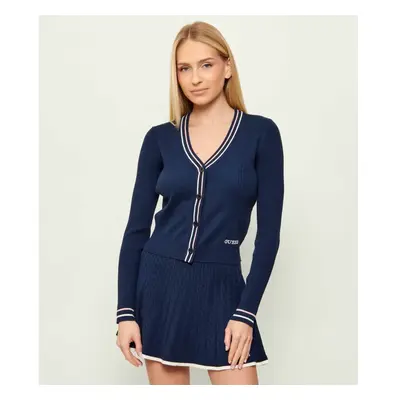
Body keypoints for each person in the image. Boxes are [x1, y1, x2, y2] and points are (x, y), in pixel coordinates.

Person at [115, 20, 285, 385]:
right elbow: (136, 231)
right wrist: (125, 312)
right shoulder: (160, 139)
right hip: (160, 288)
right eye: (184, 68)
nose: (195, 78)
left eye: (206, 65)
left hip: (223, 288)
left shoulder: (261, 134)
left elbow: (268, 236)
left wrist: (246, 312)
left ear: (227, 66)